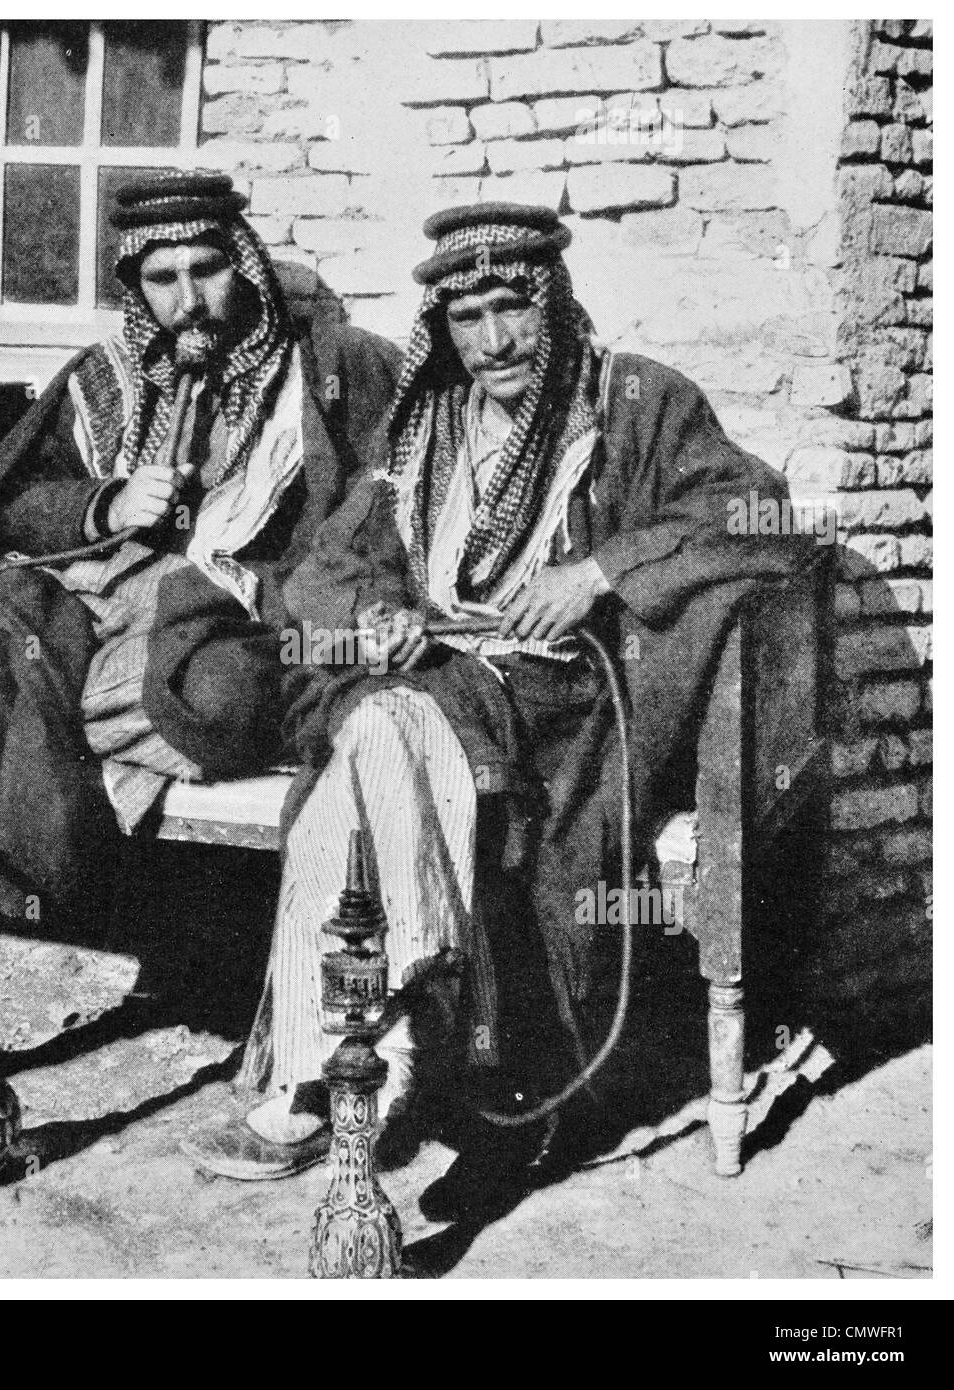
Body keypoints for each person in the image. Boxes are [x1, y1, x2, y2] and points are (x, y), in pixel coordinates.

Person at [176, 202, 811, 1197]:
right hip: (428, 681)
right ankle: (386, 1027)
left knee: (370, 737)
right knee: (376, 727)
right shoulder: (422, 424)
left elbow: (761, 515)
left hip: (552, 703)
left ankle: (329, 1064)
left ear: (549, 304)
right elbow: (331, 568)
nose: (493, 340)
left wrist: (600, 570)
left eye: (511, 307)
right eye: (466, 318)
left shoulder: (632, 401)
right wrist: (380, 609)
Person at [0, 169, 400, 1030]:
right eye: (163, 280)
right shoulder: (104, 377)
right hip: (80, 605)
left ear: (246, 266)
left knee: (209, 697)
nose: (189, 300)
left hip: (226, 613)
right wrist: (105, 503)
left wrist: (270, 580)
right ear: (135, 287)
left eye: (208, 270)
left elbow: (380, 506)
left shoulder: (327, 374)